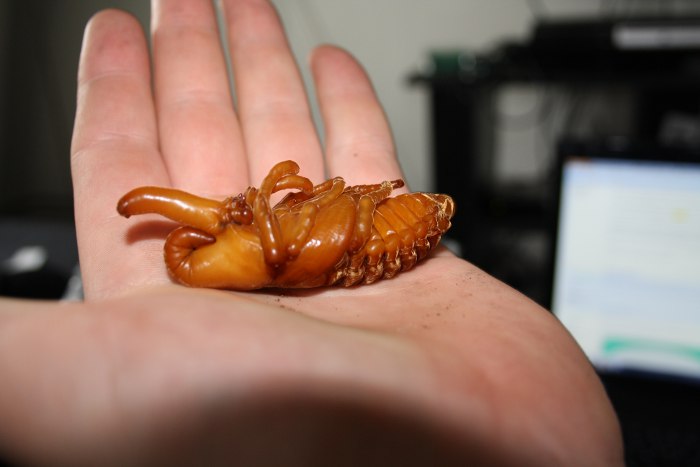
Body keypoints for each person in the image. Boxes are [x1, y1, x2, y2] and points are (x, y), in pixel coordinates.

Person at [0, 1, 624, 465]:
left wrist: (282, 211)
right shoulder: (286, 246)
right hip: (359, 229)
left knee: (283, 244)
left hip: (375, 224)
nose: (248, 218)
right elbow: (287, 235)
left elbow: (296, 229)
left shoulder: (290, 240)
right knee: (281, 246)